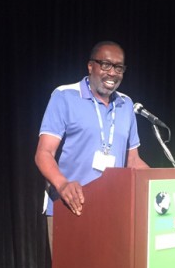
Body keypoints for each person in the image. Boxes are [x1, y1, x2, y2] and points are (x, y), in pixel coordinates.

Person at [35, 41, 149, 253]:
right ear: (90, 66)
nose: (112, 73)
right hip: (70, 206)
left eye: (119, 68)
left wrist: (160, 182)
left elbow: (133, 160)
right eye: (106, 65)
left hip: (114, 209)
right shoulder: (65, 96)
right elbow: (44, 153)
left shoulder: (126, 104)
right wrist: (63, 185)